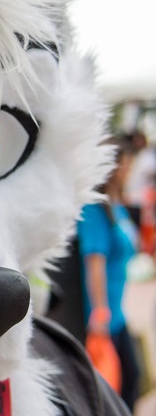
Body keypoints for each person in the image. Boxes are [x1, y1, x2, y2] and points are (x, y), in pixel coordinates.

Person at [77, 139, 141, 410]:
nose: (128, 169)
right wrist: (100, 313)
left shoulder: (116, 205)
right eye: (124, 164)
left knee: (130, 377)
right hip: (103, 315)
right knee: (115, 383)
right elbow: (94, 264)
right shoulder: (94, 210)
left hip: (117, 311)